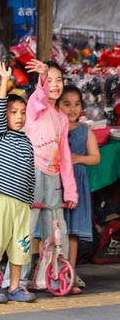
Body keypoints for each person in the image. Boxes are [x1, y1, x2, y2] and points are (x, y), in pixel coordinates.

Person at [11, 60, 78, 290]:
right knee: (27, 227)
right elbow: (39, 97)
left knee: (58, 230)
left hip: (54, 177)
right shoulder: (34, 105)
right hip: (33, 173)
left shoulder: (61, 118)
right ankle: (18, 279)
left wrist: (70, 190)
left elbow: (65, 156)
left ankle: (58, 276)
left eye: (58, 80)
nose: (55, 84)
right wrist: (41, 79)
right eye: (50, 80)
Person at [0, 63, 36, 304]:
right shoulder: (0, 134)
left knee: (19, 246)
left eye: (22, 112)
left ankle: (15, 286)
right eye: (13, 112)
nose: (19, 116)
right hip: (3, 199)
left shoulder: (26, 141)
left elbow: (30, 174)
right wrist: (5, 81)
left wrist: (31, 199)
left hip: (22, 204)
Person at [55, 86, 98, 294]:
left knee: (72, 233)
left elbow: (95, 158)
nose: (72, 109)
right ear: (57, 105)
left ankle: (69, 273)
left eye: (77, 104)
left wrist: (77, 159)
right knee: (54, 229)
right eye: (66, 104)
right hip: (57, 183)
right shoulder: (54, 127)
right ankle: (51, 268)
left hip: (76, 184)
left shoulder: (85, 130)